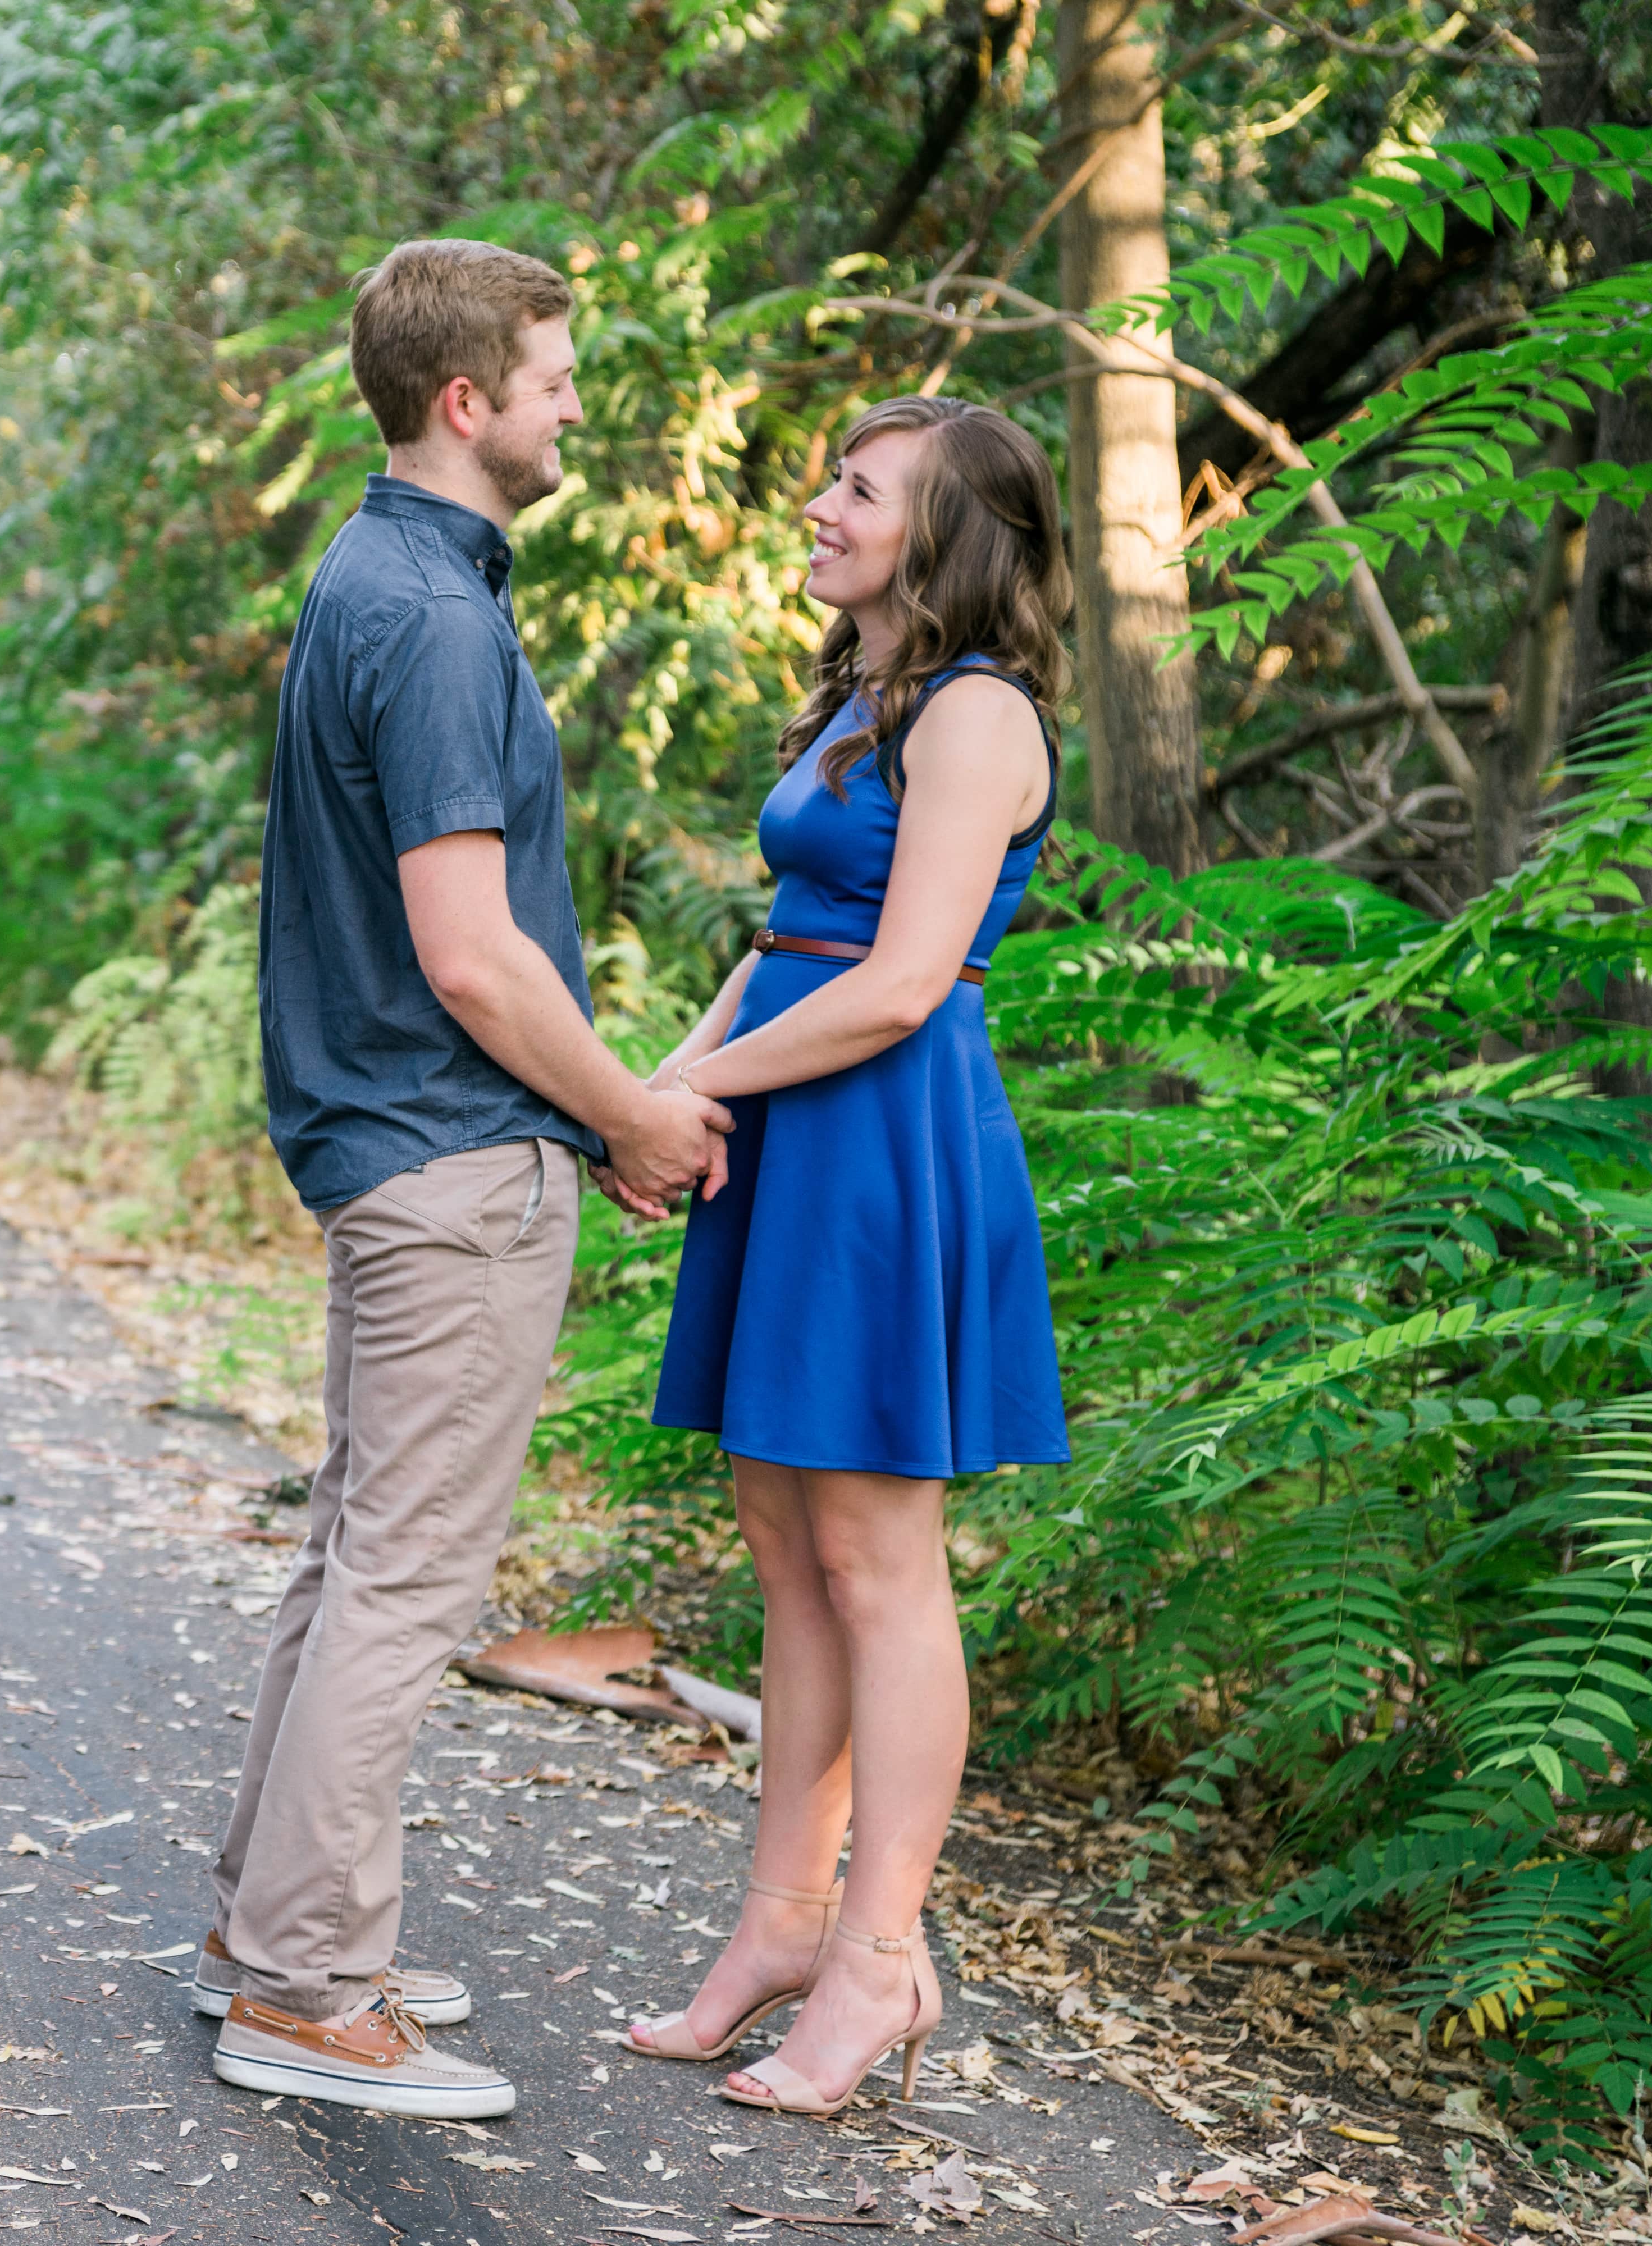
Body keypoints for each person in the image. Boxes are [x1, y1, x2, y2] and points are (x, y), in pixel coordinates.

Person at [198, 238, 734, 2124]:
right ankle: (311, 1990)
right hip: (449, 1157)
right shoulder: (431, 618)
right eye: (560, 375)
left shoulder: (379, 576)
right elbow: (473, 952)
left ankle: (272, 1931)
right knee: (410, 1579)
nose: (577, 404)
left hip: (395, 1155)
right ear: (467, 400)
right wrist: (633, 1118)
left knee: (360, 1548)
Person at [615, 394, 1075, 2116]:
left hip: (886, 1138)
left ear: (945, 531)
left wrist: (693, 1091)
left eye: (857, 490)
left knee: (882, 1561)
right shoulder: (859, 697)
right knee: (785, 1542)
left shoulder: (976, 715)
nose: (816, 506)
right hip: (791, 1121)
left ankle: (880, 1957)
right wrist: (654, 1092)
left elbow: (897, 984)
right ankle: (781, 1927)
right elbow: (794, 944)